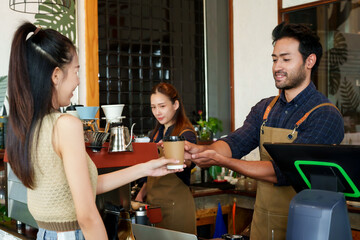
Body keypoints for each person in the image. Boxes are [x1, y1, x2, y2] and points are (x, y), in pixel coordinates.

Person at [6, 22, 184, 240]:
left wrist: (146, 168)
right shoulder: (65, 125)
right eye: (76, 71)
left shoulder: (27, 125)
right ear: (56, 76)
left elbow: (86, 186)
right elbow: (87, 216)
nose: (78, 81)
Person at [185, 22, 344, 240]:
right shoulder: (265, 108)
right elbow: (235, 143)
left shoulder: (325, 115)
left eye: (286, 59)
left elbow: (286, 171)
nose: (277, 66)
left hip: (306, 229)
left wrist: (223, 161)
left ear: (310, 61)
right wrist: (202, 152)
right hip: (262, 225)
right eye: (274, 59)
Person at [135, 82, 197, 234]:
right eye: (153, 107)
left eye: (162, 106)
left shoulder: (186, 133)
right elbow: (151, 173)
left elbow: (188, 161)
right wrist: (141, 194)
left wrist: (183, 157)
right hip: (154, 206)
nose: (157, 112)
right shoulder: (156, 133)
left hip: (177, 206)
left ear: (175, 104)